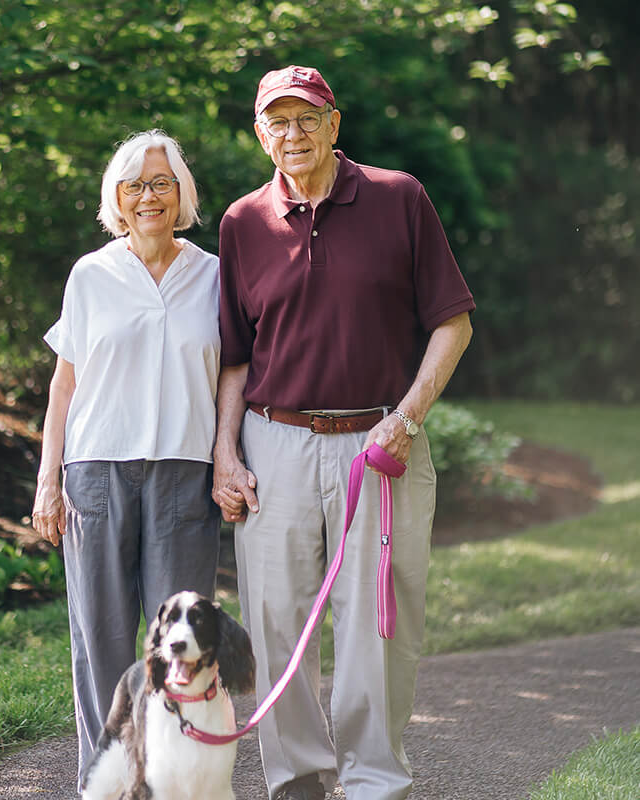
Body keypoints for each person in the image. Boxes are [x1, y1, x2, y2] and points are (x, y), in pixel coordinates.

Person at [212, 66, 475, 800]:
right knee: (274, 620)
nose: (291, 135)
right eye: (277, 123)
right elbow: (236, 356)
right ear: (261, 134)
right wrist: (225, 453)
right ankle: (297, 779)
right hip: (275, 442)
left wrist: (408, 417)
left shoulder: (398, 197)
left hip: (381, 445)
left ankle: (373, 784)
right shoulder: (242, 222)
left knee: (379, 625)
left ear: (334, 124)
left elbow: (452, 323)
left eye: (306, 120)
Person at [31, 130, 222, 790]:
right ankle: (105, 784)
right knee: (102, 644)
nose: (149, 196)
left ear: (182, 194)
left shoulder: (214, 275)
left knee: (182, 648)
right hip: (96, 475)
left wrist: (227, 459)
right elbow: (65, 384)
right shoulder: (91, 274)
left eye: (162, 183)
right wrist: (47, 479)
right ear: (117, 196)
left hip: (184, 476)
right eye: (136, 185)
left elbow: (236, 373)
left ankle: (175, 781)